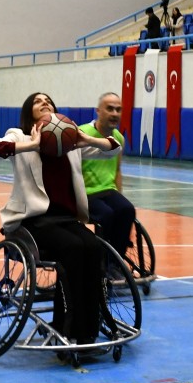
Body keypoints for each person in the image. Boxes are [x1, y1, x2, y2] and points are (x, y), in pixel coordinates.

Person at [0, 92, 121, 345]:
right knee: (73, 249)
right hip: (32, 222)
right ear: (29, 113)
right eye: (38, 101)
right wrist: (31, 145)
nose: (44, 102)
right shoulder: (19, 135)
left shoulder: (69, 144)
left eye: (48, 100)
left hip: (65, 219)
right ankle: (67, 327)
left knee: (93, 248)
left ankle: (89, 327)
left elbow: (114, 149)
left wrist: (84, 138)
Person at [79, 92, 135, 258]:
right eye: (110, 109)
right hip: (85, 194)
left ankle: (116, 262)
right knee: (106, 214)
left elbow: (117, 170)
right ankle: (100, 261)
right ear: (98, 111)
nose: (115, 114)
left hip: (108, 191)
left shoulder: (118, 138)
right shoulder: (82, 133)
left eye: (118, 110)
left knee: (126, 209)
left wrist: (119, 195)